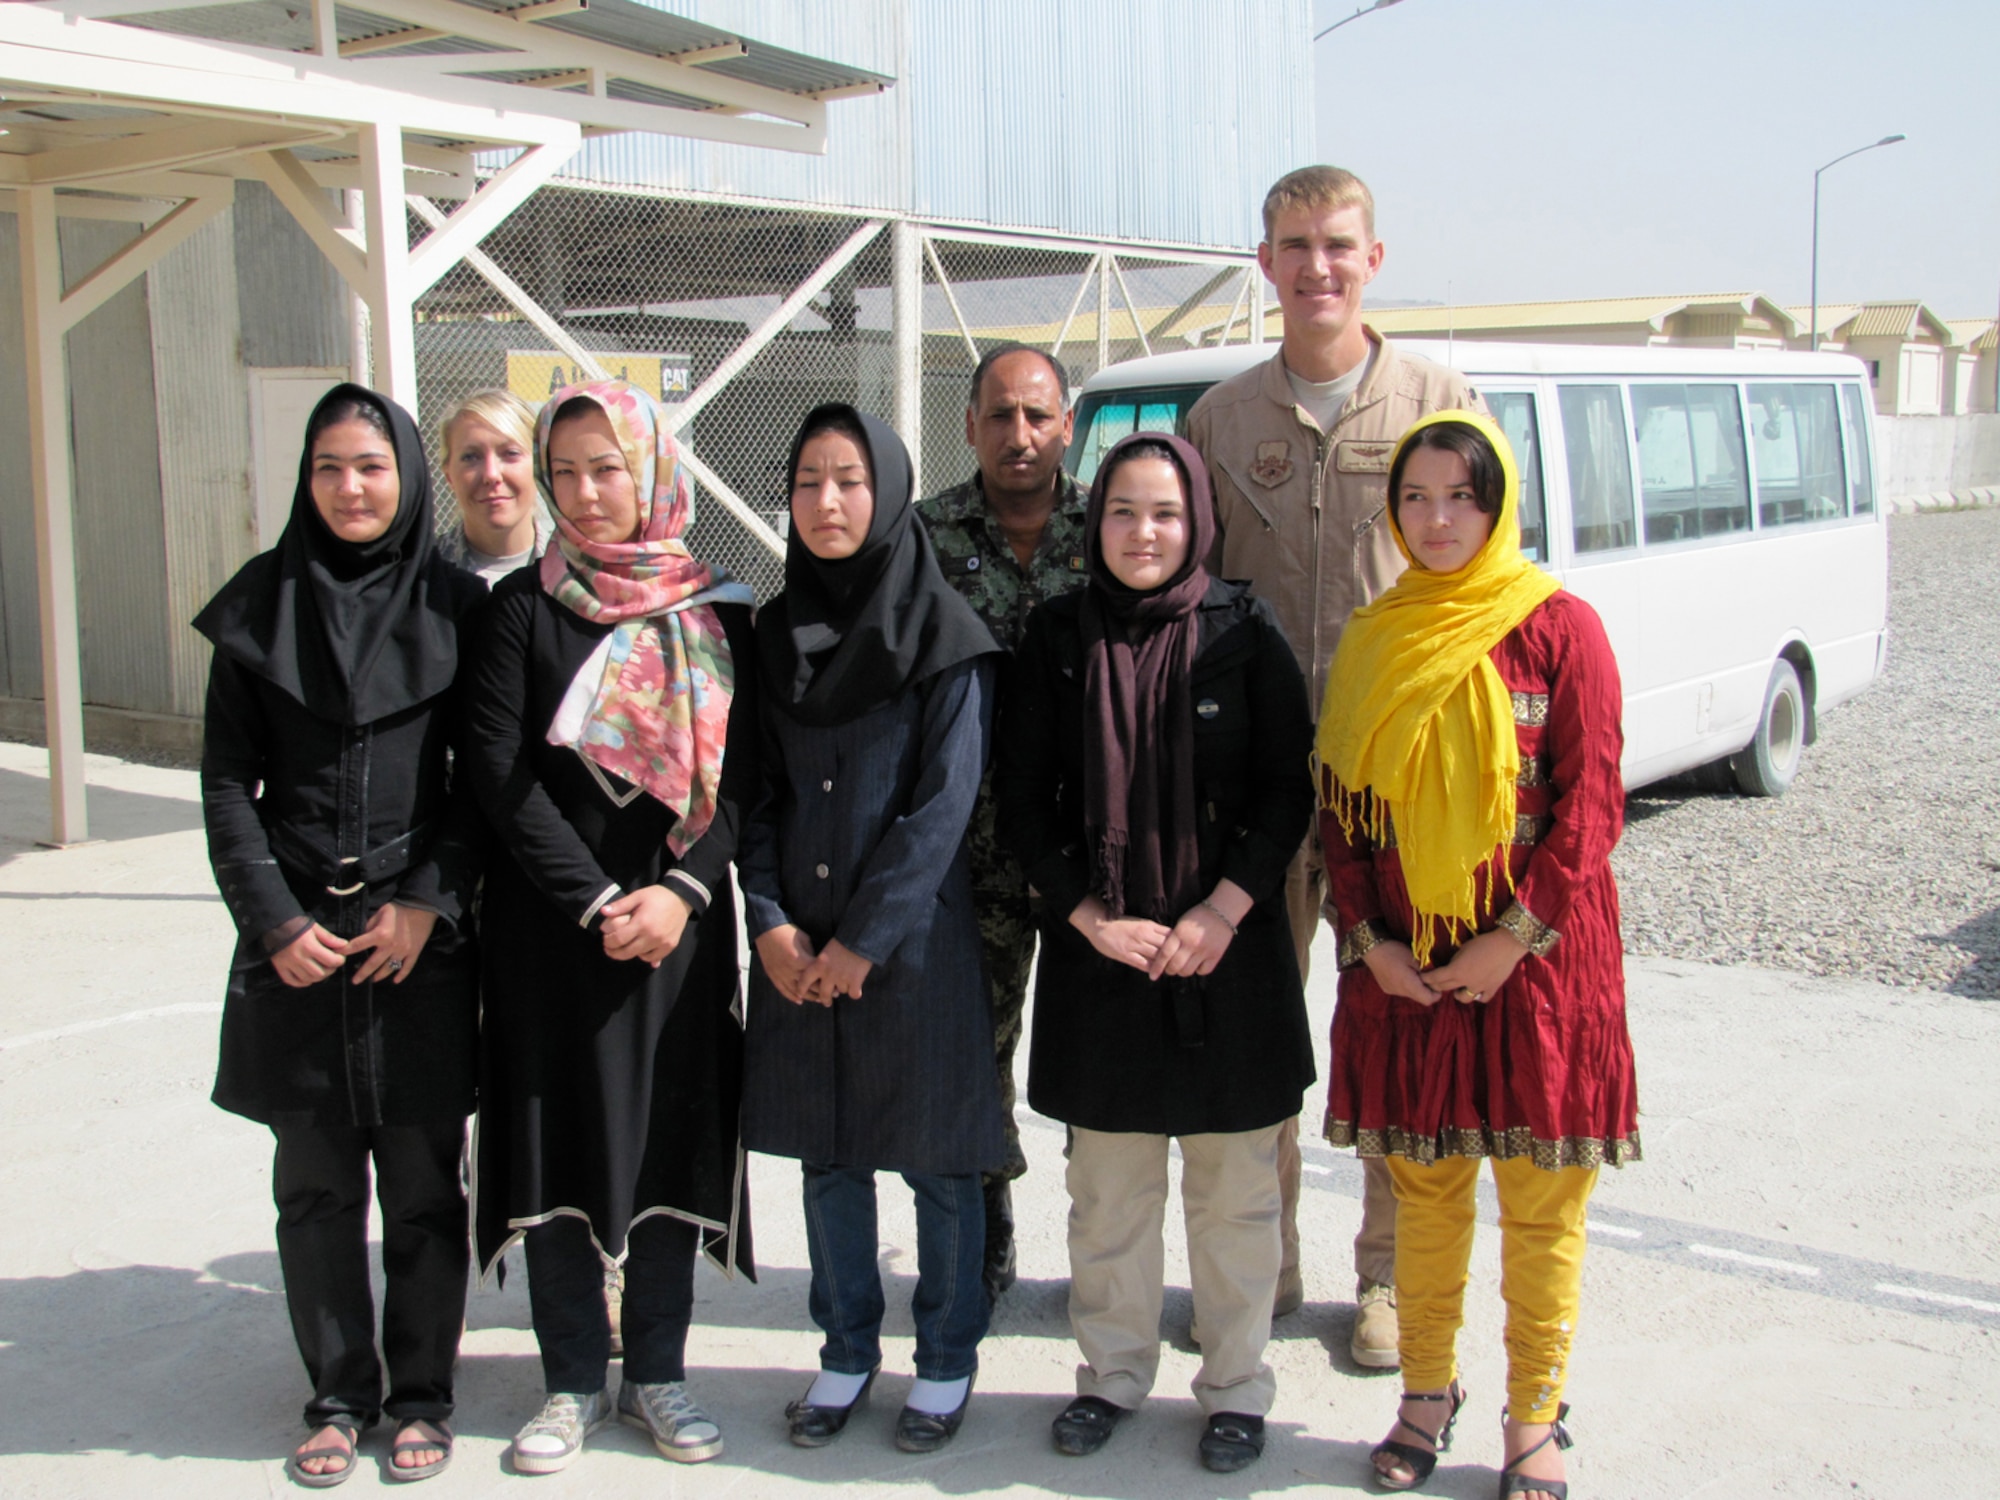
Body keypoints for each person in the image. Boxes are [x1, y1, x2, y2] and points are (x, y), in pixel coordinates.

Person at [1186, 163, 1486, 1369]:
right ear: (1263, 263)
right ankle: (1262, 1266)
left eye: (1338, 244)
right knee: (1257, 1045)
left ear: (1374, 258)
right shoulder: (1220, 420)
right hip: (1258, 794)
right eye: (1294, 244)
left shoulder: (1435, 400)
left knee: (1392, 1041)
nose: (1317, 265)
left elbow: (1473, 588)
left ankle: (1384, 1285)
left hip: (1395, 795)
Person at [1316, 411, 1639, 1498]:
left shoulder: (1559, 628)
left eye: (1459, 495)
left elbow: (1590, 806)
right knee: (1425, 1190)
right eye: (1413, 497)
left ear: (1496, 505)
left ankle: (1532, 1417)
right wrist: (1369, 945)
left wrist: (1512, 940)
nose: (1437, 518)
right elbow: (1343, 815)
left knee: (1542, 1203)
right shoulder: (1376, 638)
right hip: (1409, 971)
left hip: (1539, 972)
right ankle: (1423, 1392)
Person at [995, 433, 1315, 1476]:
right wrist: (1085, 917)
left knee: (1232, 1196)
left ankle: (1233, 1388)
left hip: (1227, 958)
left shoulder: (1243, 630)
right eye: (1123, 512)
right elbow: (1023, 803)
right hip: (1105, 959)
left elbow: (1284, 792)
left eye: (1165, 514)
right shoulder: (1055, 637)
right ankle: (1112, 1376)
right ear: (1097, 523)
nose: (1143, 533)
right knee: (1109, 1197)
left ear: (1197, 525)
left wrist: (1220, 910)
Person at [194, 384, 488, 1487]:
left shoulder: (458, 608)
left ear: (408, 477)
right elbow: (228, 780)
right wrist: (272, 919)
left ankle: (419, 1394)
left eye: (371, 465)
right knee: (313, 1186)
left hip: (414, 945)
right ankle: (335, 1393)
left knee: (422, 1184)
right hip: (298, 945)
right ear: (305, 481)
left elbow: (479, 785)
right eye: (329, 467)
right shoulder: (258, 608)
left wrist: (425, 900)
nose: (351, 487)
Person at [464, 380, 757, 1476]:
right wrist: (591, 899)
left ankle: (661, 1374)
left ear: (651, 470)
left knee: (671, 1133)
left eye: (607, 467)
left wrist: (680, 894)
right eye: (566, 471)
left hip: (676, 933)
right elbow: (500, 775)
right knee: (556, 1141)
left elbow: (745, 781)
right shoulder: (519, 614)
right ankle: (572, 1381)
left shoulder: (720, 614)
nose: (585, 494)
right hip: (553, 935)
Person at [739, 403, 1004, 1455]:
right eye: (807, 482)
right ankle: (845, 1347)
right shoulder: (769, 634)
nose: (827, 502)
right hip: (796, 949)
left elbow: (941, 808)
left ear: (887, 491)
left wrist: (861, 942)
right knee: (827, 1157)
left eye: (849, 480)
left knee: (937, 1161)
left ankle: (943, 1360)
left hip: (913, 949)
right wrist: (766, 922)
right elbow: (749, 795)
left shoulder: (947, 637)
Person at [916, 341, 1089, 1301]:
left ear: (1065, 422)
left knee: (1096, 1060)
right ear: (971, 423)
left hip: (1090, 858)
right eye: (998, 416)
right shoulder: (925, 534)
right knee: (974, 1053)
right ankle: (986, 1227)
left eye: (1036, 416)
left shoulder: (1116, 523)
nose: (1018, 436)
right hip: (967, 855)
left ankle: (1105, 1248)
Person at [435, 388, 552, 585]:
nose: (491, 474)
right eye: (471, 457)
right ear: (449, 476)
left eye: (510, 453)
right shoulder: (421, 576)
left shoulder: (576, 570)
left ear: (539, 465)